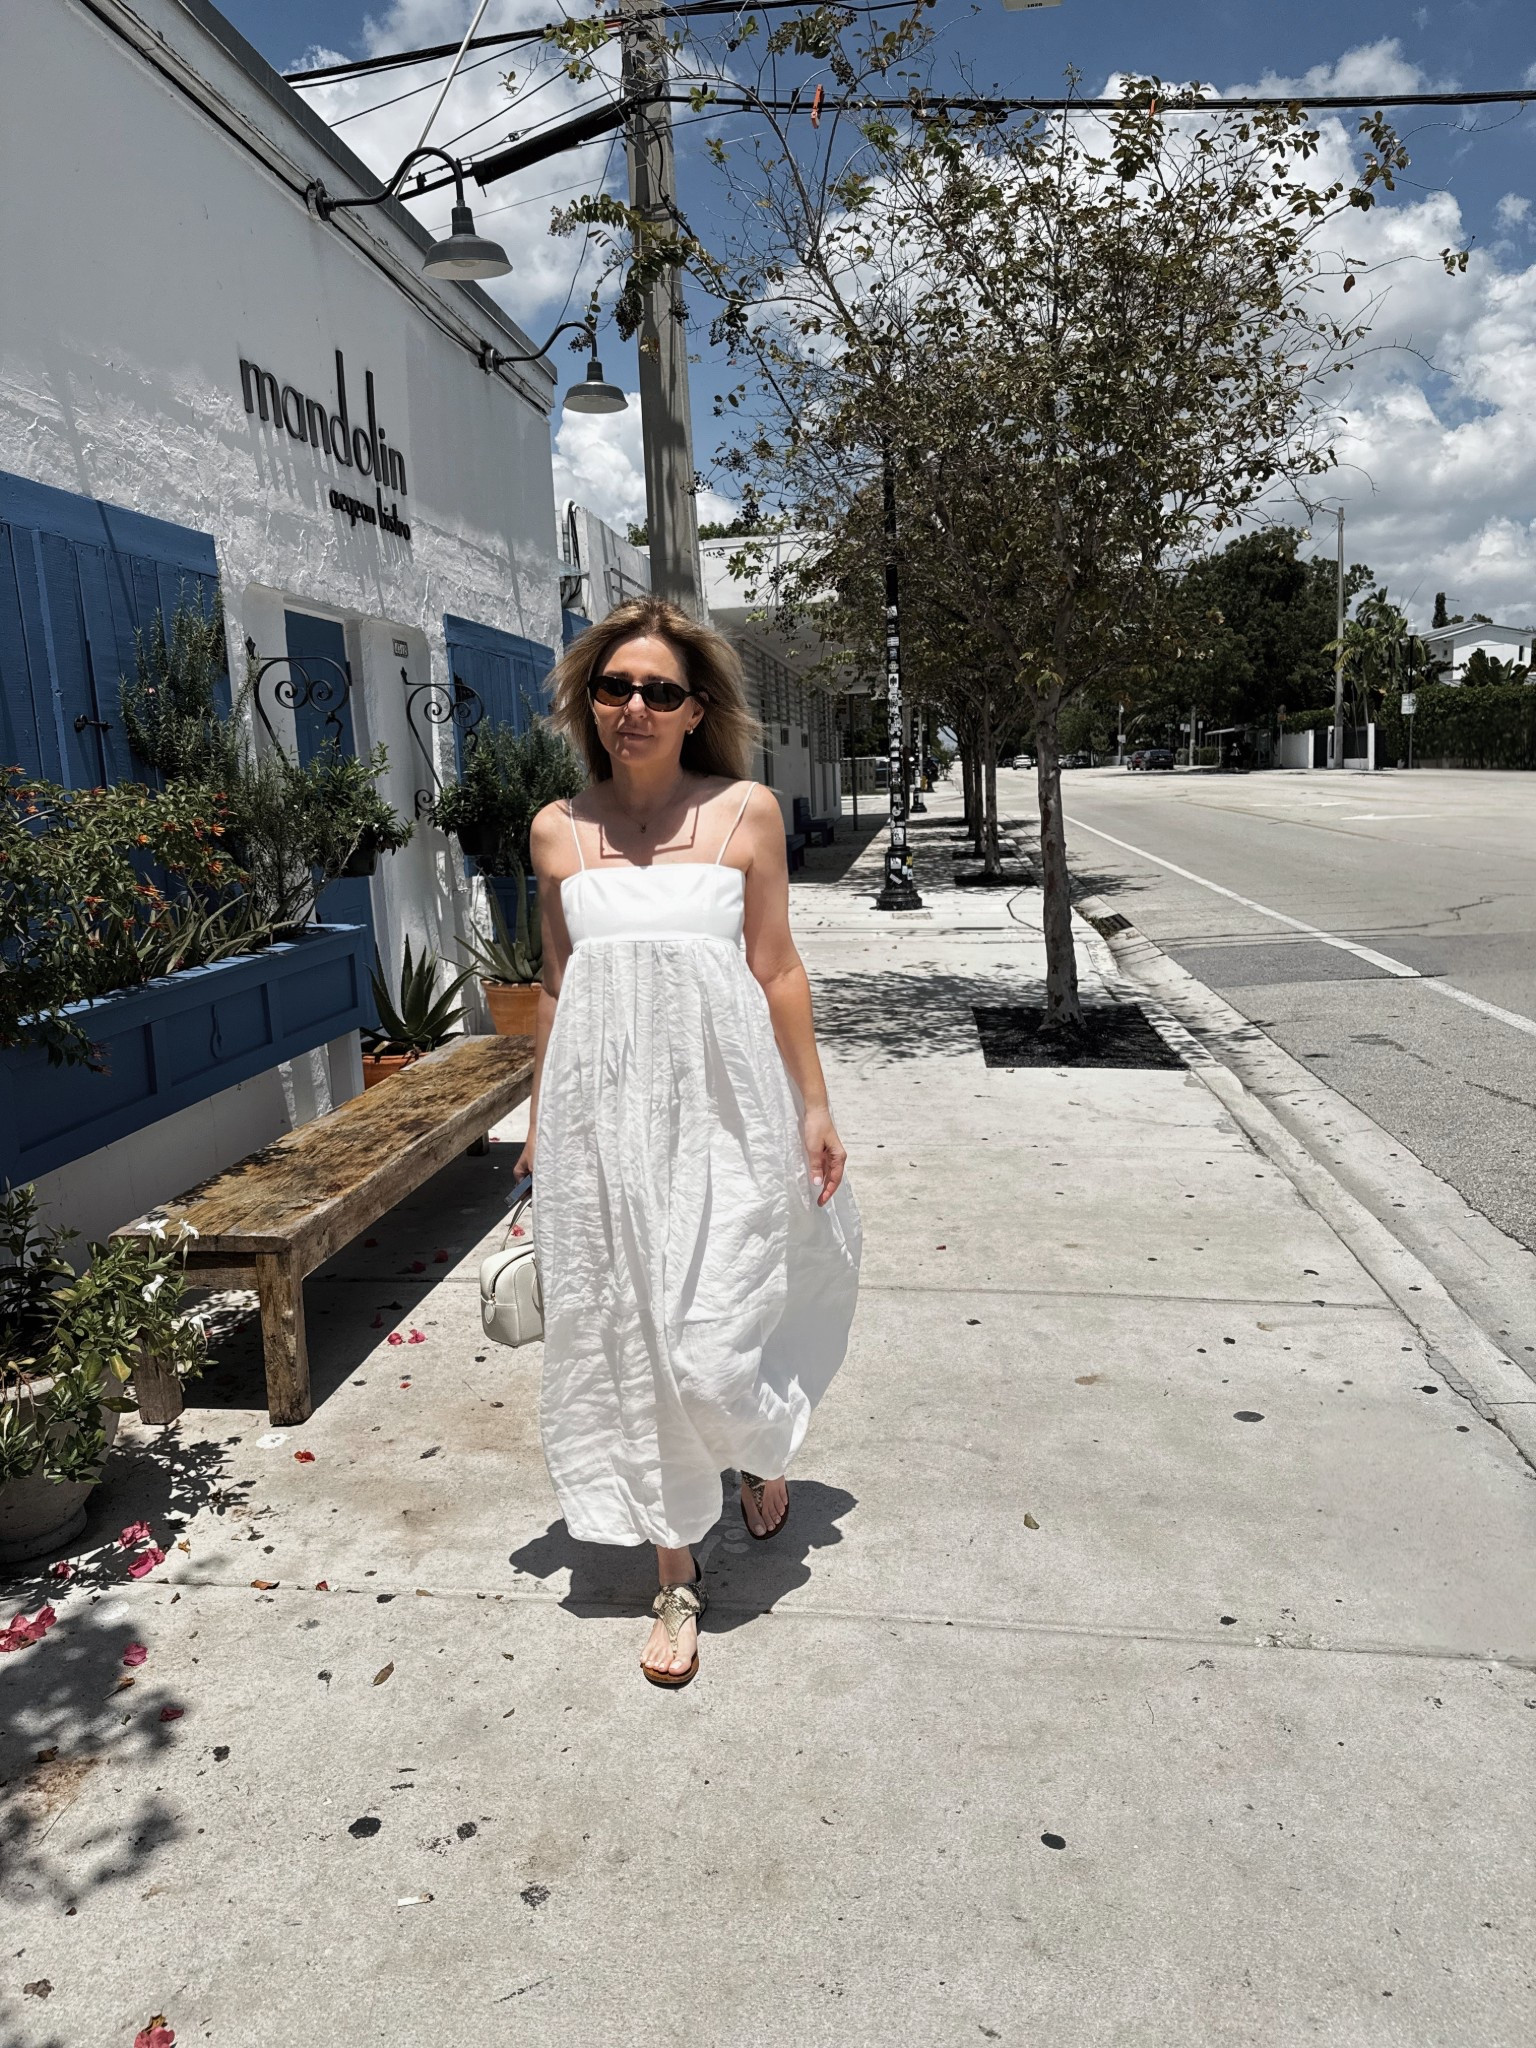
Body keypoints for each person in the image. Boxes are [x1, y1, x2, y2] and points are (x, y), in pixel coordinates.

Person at [515, 598, 862, 1689]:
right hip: (606, 1130)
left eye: (659, 689)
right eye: (615, 686)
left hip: (728, 1119)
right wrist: (538, 1121)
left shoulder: (747, 812)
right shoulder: (557, 830)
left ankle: (758, 1445)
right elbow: (560, 986)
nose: (635, 706)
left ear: (695, 706)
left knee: (712, 1344)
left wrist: (814, 1104)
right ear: (590, 702)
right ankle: (675, 1570)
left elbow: (777, 969)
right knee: (632, 1342)